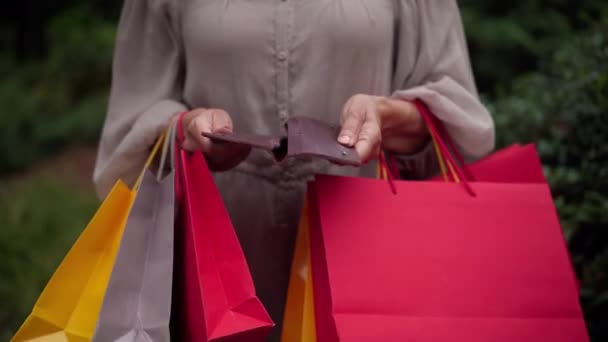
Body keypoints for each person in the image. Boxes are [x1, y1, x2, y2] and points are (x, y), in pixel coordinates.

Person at [94, 0, 494, 340]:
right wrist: (185, 129)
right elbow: (133, 120)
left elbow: (457, 111)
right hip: (214, 252)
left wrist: (387, 118)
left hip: (371, 245)